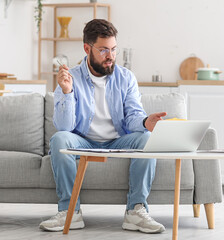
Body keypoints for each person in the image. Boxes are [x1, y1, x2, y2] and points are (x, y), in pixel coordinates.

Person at [39, 19, 167, 234]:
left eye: (114, 49)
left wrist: (146, 122)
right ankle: (71, 212)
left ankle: (136, 212)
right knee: (59, 139)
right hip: (83, 141)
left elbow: (133, 117)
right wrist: (68, 92)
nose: (110, 56)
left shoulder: (126, 78)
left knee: (146, 138)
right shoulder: (69, 77)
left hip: (118, 139)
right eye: (104, 50)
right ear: (87, 48)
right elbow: (64, 126)